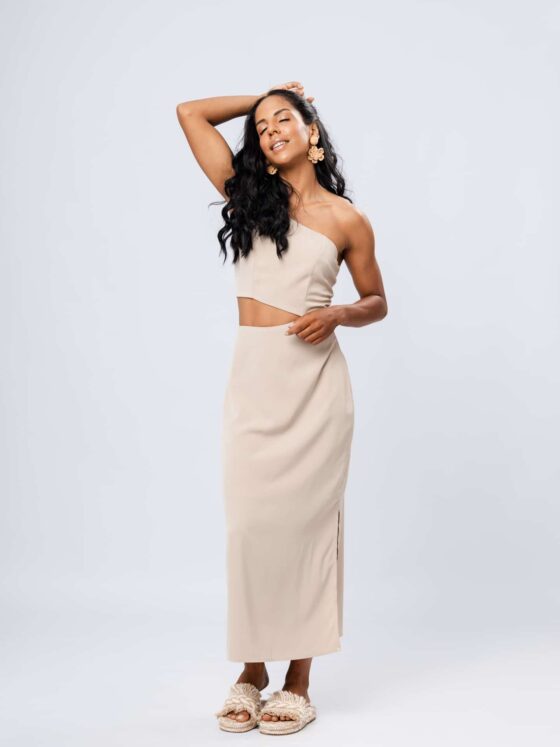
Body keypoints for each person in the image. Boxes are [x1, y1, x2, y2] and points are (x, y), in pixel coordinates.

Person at [176, 81, 388, 735]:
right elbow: (190, 113)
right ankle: (251, 666)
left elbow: (377, 301)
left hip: (315, 387)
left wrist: (340, 314)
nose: (270, 129)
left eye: (284, 120)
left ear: (311, 132)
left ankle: (297, 679)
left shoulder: (348, 220)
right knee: (250, 528)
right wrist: (265, 93)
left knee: (307, 531)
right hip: (254, 379)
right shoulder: (247, 197)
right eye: (262, 127)